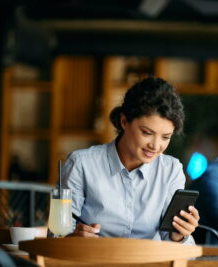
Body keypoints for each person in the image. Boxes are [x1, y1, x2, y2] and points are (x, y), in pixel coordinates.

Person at [62, 77, 199, 243]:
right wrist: (72, 239)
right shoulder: (81, 164)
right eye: (147, 133)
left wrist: (179, 236)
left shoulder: (171, 170)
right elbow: (56, 235)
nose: (155, 146)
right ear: (124, 121)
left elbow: (175, 248)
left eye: (165, 137)